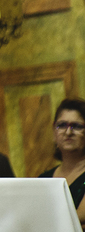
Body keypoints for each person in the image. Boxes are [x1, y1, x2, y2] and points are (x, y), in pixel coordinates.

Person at [40, 98, 85, 229]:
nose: (68, 132)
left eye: (76, 126)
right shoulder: (43, 179)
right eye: (62, 125)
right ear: (54, 130)